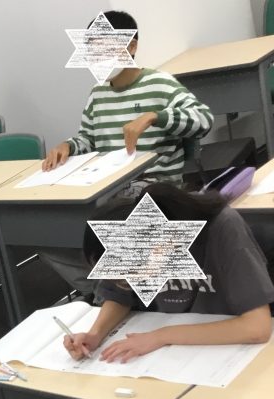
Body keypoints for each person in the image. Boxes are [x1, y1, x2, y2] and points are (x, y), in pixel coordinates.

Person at [63, 184, 274, 399]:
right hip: (174, 362)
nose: (125, 284)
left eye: (128, 277)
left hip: (233, 359)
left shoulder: (221, 228)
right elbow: (119, 296)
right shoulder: (137, 240)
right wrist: (96, 333)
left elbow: (256, 327)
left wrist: (162, 336)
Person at [40, 10, 214, 298]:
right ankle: (108, 289)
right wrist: (68, 146)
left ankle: (113, 293)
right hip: (108, 187)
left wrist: (155, 116)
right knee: (46, 231)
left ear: (131, 46)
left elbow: (204, 120)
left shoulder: (160, 83)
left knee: (114, 225)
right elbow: (88, 138)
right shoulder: (98, 94)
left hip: (156, 188)